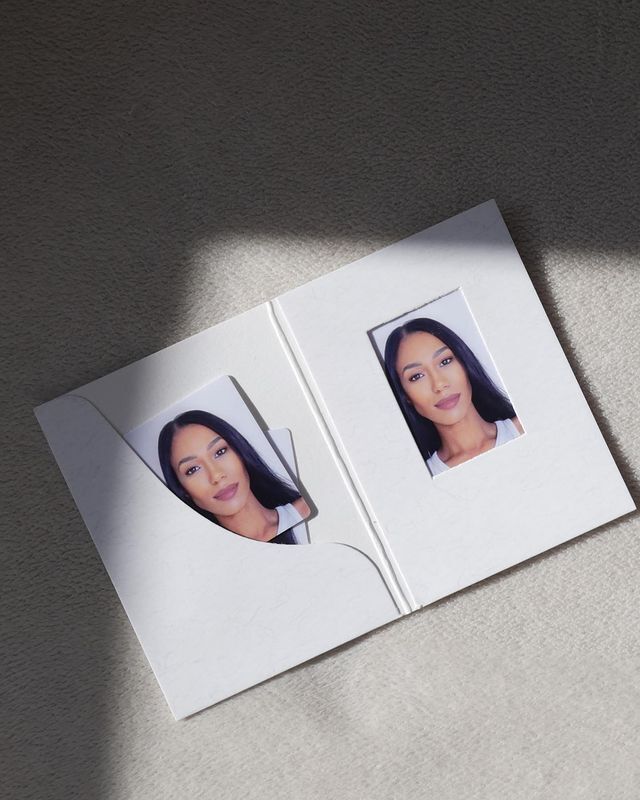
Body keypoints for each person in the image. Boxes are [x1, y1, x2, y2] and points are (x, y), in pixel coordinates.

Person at [383, 318, 523, 475]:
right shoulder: (422, 478)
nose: (439, 384)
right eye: (416, 376)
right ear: (405, 396)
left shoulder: (526, 428)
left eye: (445, 361)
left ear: (465, 364)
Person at [158, 410, 310, 544]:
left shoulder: (307, 509)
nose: (216, 475)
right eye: (193, 469)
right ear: (183, 490)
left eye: (220, 452)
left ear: (240, 452)